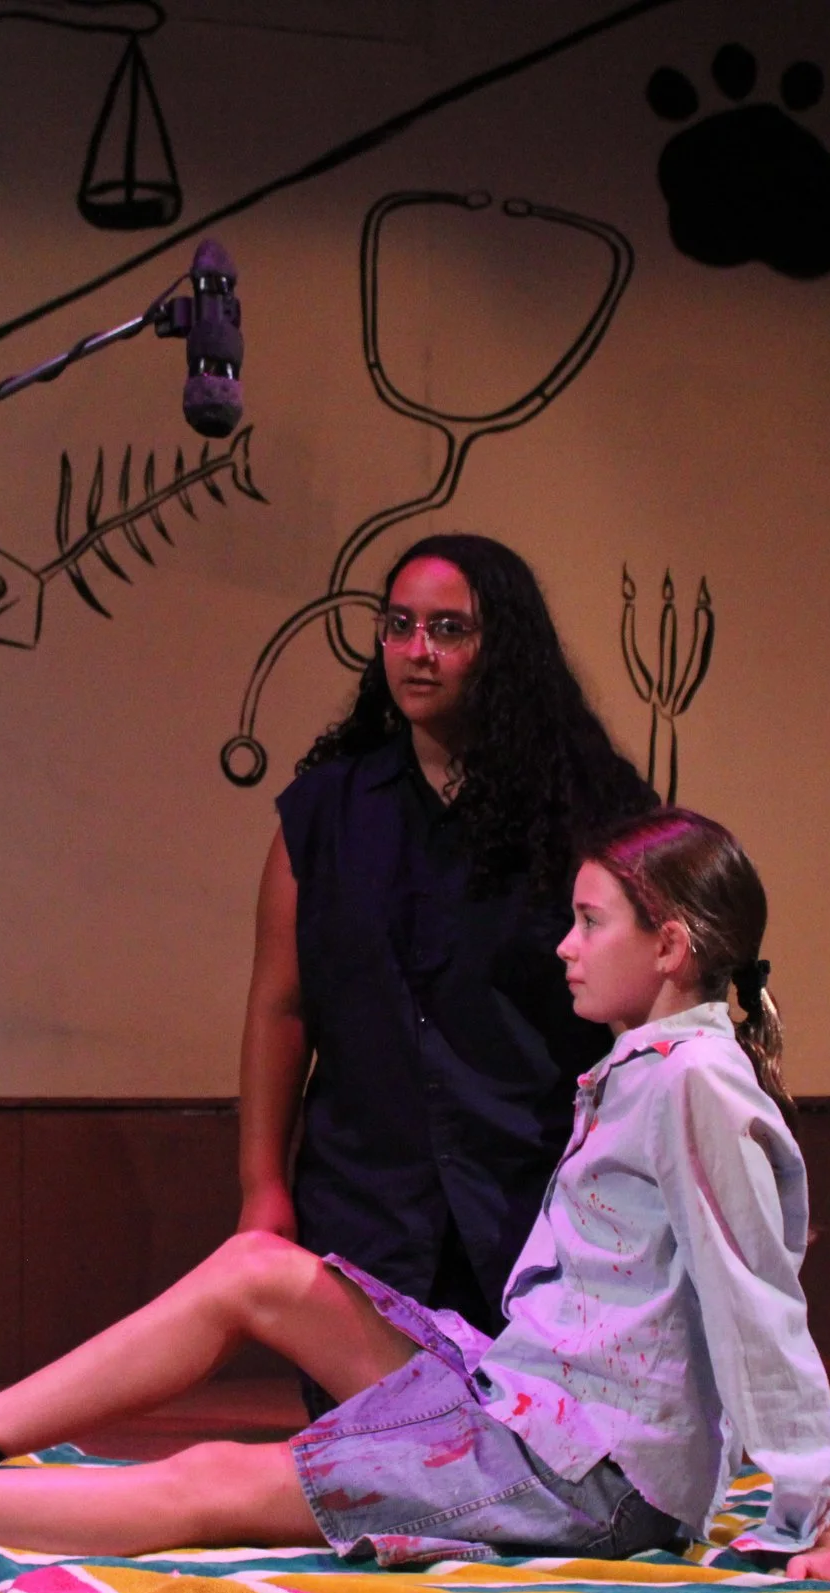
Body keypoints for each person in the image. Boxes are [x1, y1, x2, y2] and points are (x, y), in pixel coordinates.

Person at [0, 807, 830, 1588]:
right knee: (260, 1271)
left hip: (586, 1476)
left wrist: (813, 1511)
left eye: (589, 921)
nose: (563, 943)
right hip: (528, 1401)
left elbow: (758, 1306)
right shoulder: (653, 1066)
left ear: (671, 946)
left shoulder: (697, 1081)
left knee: (214, 1479)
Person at [238, 534, 654, 1369]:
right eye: (399, 625)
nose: (417, 649)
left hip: (539, 1209)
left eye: (448, 628)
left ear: (502, 647)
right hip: (368, 1214)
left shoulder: (591, 809)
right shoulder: (323, 815)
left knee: (524, 1445)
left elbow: (648, 1015)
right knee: (381, 1446)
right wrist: (263, 1188)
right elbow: (281, 1010)